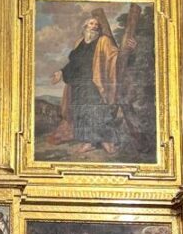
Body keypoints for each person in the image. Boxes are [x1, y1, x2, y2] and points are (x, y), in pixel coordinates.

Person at [48, 11, 131, 154]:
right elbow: (73, 63)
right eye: (91, 23)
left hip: (94, 82)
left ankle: (107, 140)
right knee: (81, 112)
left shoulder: (103, 41)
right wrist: (61, 72)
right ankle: (89, 142)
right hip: (78, 84)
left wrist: (127, 49)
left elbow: (114, 56)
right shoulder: (79, 42)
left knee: (98, 111)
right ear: (85, 26)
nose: (94, 26)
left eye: (96, 25)